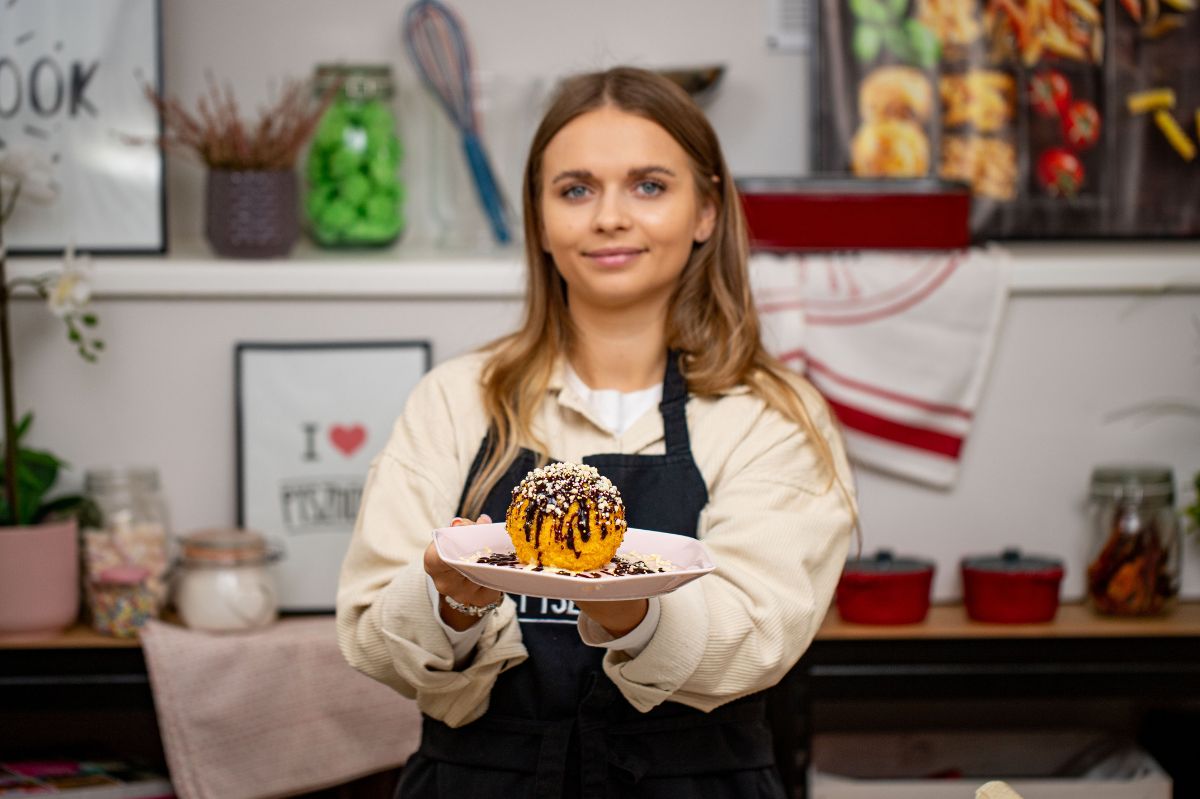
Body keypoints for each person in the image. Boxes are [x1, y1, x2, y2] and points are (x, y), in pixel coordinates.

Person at [336, 65, 857, 798]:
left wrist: (630, 607)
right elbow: (370, 633)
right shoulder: (455, 400)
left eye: (649, 185)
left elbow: (757, 636)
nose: (610, 217)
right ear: (541, 220)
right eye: (576, 189)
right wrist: (451, 600)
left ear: (706, 211)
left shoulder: (770, 415)